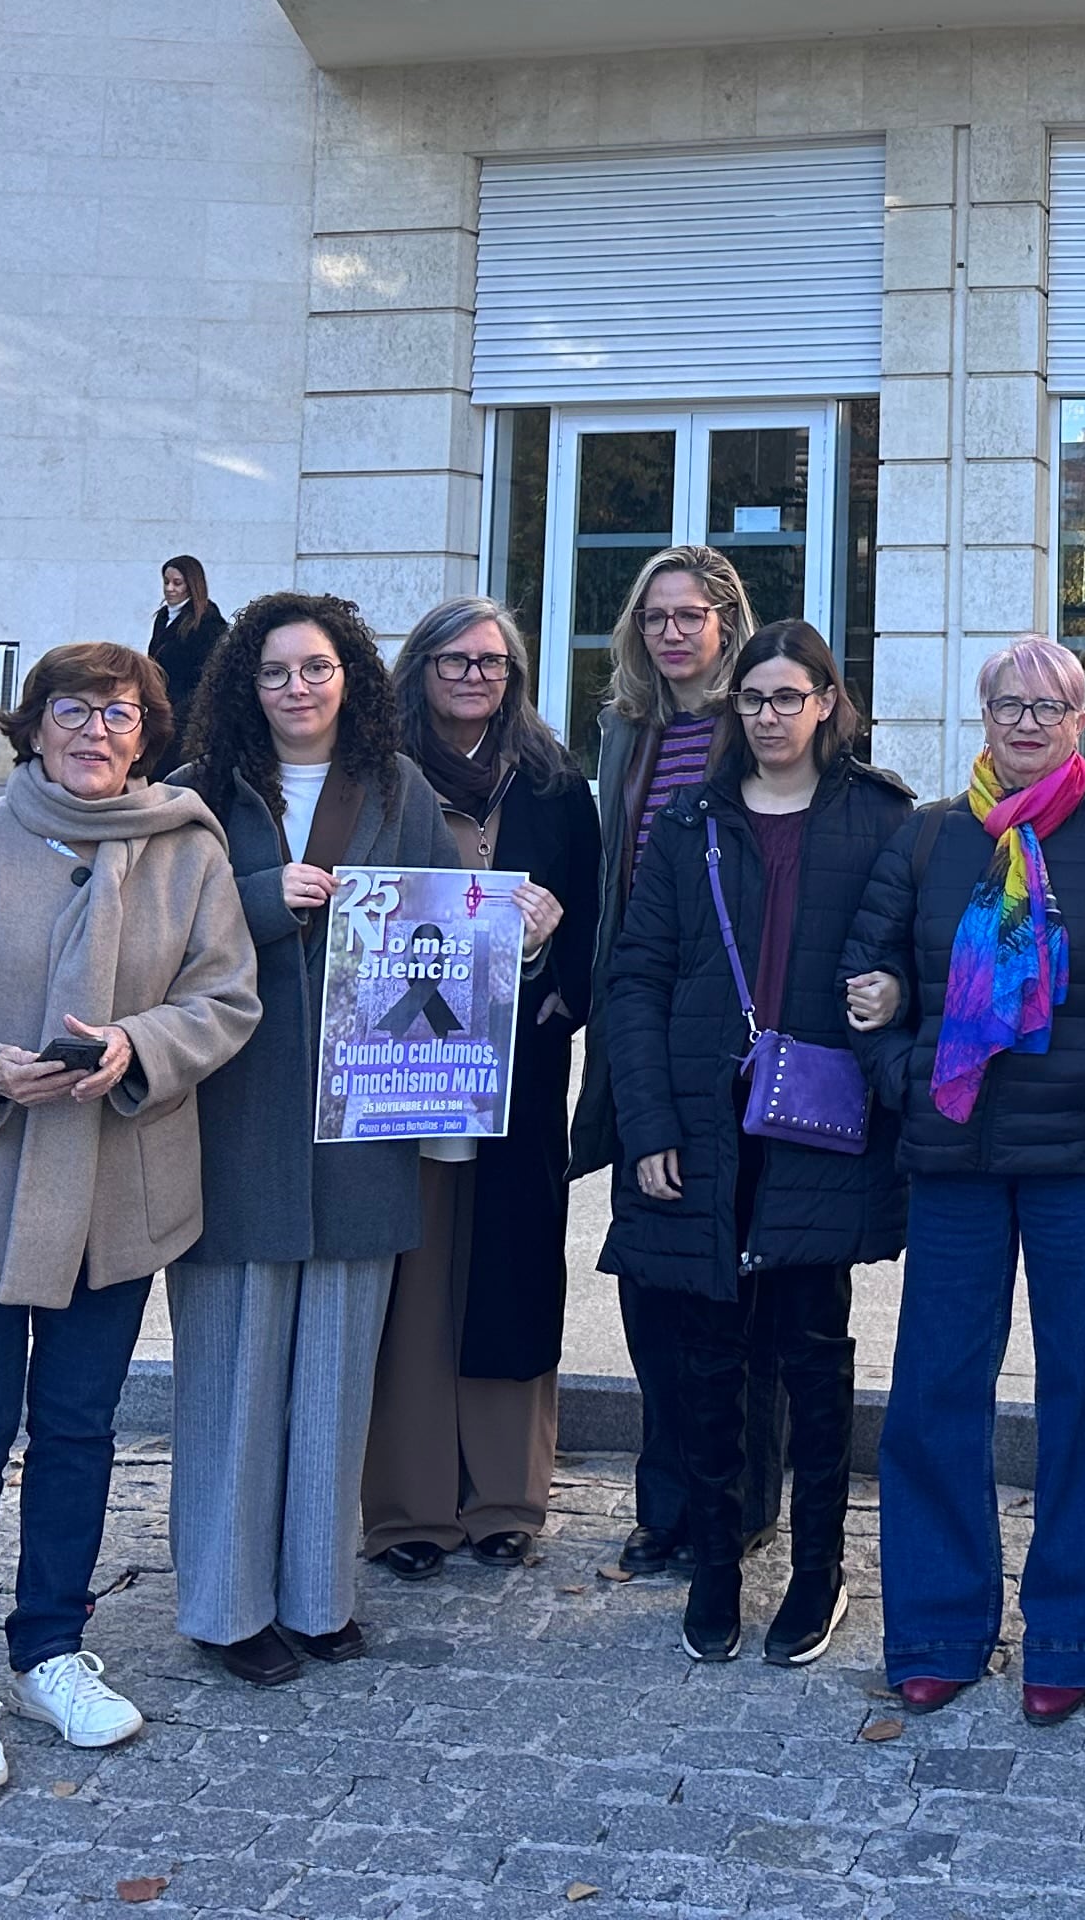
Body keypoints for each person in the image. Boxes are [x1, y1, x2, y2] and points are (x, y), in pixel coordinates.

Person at [0, 642, 260, 1800]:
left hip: (116, 1187)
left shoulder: (188, 852)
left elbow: (225, 998)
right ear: (31, 728)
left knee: (79, 1426)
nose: (96, 730)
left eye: (121, 713)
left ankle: (51, 1649)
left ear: (148, 733)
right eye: (73, 710)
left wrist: (140, 1047)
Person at [842, 637, 1085, 1725]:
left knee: (1083, 1396)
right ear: (983, 717)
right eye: (1009, 704)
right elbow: (868, 973)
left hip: (1077, 1160)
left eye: (1050, 706)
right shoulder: (929, 837)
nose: (1028, 722)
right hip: (950, 1161)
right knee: (936, 1396)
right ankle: (940, 1629)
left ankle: (1079, 1639)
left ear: (1082, 722)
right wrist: (907, 1072)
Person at [600, 618, 910, 1667]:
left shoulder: (881, 819)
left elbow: (920, 957)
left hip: (820, 1122)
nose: (770, 716)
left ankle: (818, 1568)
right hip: (702, 1120)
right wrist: (643, 1122)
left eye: (790, 696)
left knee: (813, 1358)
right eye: (754, 700)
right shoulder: (690, 823)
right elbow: (635, 979)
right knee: (706, 1356)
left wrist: (898, 992)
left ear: (829, 701)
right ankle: (721, 1564)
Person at [164, 590, 455, 1685]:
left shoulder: (396, 787)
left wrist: (511, 929)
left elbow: (442, 925)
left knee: (334, 1376)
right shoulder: (193, 797)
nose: (298, 688)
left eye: (317, 668)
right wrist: (257, 896)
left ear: (352, 679)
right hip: (235, 1114)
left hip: (361, 1115)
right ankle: (227, 1608)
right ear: (246, 683)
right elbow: (150, 933)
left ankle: (319, 1597)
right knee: (233, 1377)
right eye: (277, 671)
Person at [362, 595, 599, 1580]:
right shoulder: (374, 779)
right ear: (418, 669)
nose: (474, 677)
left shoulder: (551, 783)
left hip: (519, 1065)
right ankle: (409, 1506)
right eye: (454, 661)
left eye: (493, 663)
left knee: (509, 1267)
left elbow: (591, 924)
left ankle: (507, 1495)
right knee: (416, 1273)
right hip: (402, 1064)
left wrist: (548, 959)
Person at [568, 542, 771, 1579]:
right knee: (649, 1272)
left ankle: (739, 1501)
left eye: (690, 614)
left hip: (735, 1026)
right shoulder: (628, 730)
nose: (672, 632)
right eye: (655, 616)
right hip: (639, 1014)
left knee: (735, 1277)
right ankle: (667, 1500)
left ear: (726, 622)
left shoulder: (764, 718)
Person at [149, 558, 227, 739]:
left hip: (185, 716)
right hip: (160, 707)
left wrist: (179, 710)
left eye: (177, 583)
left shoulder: (208, 624)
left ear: (191, 585)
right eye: (166, 582)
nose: (169, 588)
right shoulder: (163, 617)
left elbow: (207, 675)